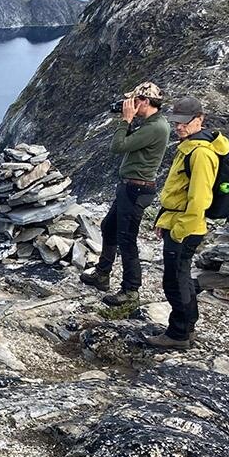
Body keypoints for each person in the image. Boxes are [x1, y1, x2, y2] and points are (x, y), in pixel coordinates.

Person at [146, 96, 229, 350]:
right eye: (176, 122)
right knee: (180, 277)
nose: (179, 127)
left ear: (200, 120)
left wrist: (180, 230)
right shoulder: (190, 146)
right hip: (178, 221)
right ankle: (186, 326)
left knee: (175, 280)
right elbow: (179, 192)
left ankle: (178, 333)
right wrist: (164, 220)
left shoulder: (201, 153)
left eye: (184, 122)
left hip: (186, 227)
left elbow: (199, 198)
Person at [79, 82, 170, 306]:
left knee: (127, 239)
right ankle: (102, 273)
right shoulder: (151, 123)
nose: (131, 105)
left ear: (146, 101)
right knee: (109, 227)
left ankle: (131, 290)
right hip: (130, 187)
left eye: (135, 101)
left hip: (136, 189)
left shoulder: (156, 127)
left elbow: (118, 146)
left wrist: (125, 120)